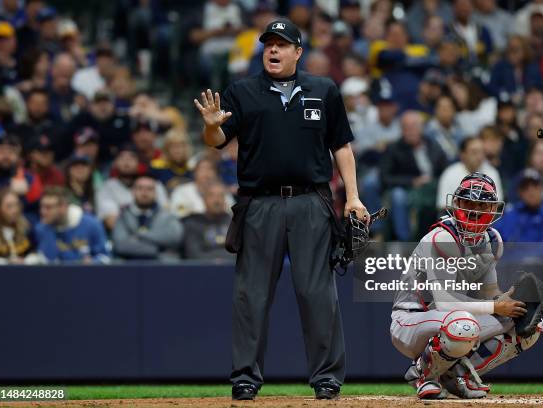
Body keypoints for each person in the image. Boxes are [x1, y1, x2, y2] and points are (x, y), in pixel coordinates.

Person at [194, 18, 368, 401]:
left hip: (311, 201)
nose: (273, 50)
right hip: (259, 203)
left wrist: (353, 197)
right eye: (268, 44)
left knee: (317, 293)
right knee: (250, 295)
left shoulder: (323, 90)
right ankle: (245, 378)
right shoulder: (242, 91)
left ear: (298, 52)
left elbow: (341, 146)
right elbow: (218, 140)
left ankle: (326, 378)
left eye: (282, 44)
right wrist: (209, 127)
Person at [390, 172, 543, 399]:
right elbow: (444, 303)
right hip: (411, 320)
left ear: (493, 208)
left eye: (482, 204)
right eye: (469, 202)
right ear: (457, 203)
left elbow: (489, 292)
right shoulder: (442, 237)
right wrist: (496, 307)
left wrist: (509, 301)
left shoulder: (491, 240)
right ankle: (423, 373)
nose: (474, 210)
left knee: (532, 324)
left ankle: (456, 374)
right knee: (463, 325)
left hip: (448, 318)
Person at [379, 111, 448, 240]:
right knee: (398, 196)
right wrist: (412, 181)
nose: (410, 130)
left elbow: (445, 169)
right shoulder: (394, 148)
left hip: (432, 187)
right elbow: (385, 178)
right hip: (407, 188)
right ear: (401, 129)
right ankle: (405, 241)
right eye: (406, 127)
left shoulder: (433, 144)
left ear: (422, 128)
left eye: (414, 126)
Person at [112, 173, 183, 261]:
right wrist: (157, 249)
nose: (144, 193)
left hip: (163, 266)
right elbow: (120, 245)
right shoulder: (123, 216)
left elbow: (174, 239)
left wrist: (139, 235)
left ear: (156, 193)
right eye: (140, 188)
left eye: (149, 189)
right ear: (133, 192)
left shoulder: (168, 216)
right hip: (129, 266)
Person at [96, 144, 168, 230]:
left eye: (131, 158)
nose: (127, 162)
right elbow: (111, 222)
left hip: (156, 237)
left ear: (139, 162)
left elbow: (166, 216)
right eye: (122, 158)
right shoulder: (107, 187)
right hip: (122, 239)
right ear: (115, 163)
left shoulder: (153, 184)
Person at [35, 186, 110, 263]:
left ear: (63, 207)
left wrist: (92, 262)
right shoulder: (41, 228)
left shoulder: (91, 224)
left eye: (48, 207)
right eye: (41, 207)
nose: (43, 212)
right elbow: (46, 260)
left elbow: (104, 257)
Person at [496, 168, 543, 242]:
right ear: (519, 192)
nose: (531, 192)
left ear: (542, 189)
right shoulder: (512, 213)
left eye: (535, 186)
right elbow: (497, 237)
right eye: (525, 188)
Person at [436, 137, 503, 210]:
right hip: (456, 218)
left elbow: (498, 203)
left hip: (484, 218)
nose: (479, 157)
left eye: (482, 152)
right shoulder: (450, 173)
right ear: (463, 155)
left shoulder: (491, 172)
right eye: (474, 152)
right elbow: (443, 206)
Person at [181, 182, 233, 261]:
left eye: (221, 196)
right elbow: (193, 255)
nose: (217, 200)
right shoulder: (193, 223)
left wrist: (221, 261)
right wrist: (216, 261)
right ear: (204, 199)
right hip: (203, 271)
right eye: (212, 195)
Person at [0, 188, 40, 264]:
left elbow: (37, 254)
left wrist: (25, 261)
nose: (15, 210)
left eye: (17, 204)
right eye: (9, 206)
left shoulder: (27, 228)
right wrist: (7, 262)